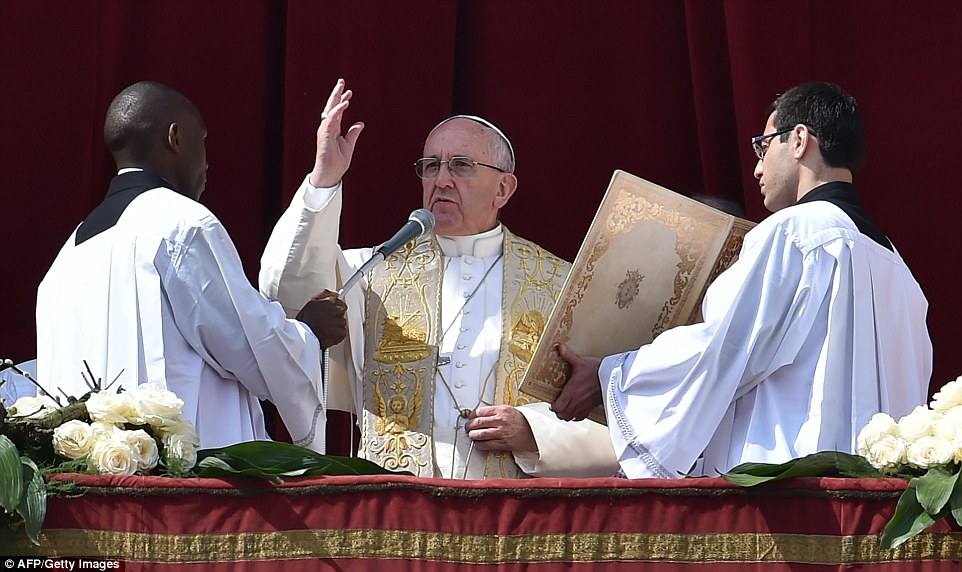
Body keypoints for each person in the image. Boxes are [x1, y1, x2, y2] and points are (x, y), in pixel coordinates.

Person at [552, 81, 932, 478]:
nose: (757, 168)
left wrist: (612, 375)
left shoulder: (793, 232)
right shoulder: (898, 268)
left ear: (799, 140)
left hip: (788, 485)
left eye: (763, 147)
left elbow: (723, 348)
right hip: (876, 493)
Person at [260, 79, 618, 478]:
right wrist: (324, 178)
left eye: (461, 165)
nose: (442, 180)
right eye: (431, 166)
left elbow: (617, 411)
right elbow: (286, 291)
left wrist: (532, 433)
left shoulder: (562, 285)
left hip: (512, 506)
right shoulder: (371, 272)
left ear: (503, 188)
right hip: (397, 499)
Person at [36, 80, 347, 451]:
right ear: (175, 138)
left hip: (93, 477)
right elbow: (248, 343)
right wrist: (310, 332)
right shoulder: (181, 224)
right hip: (185, 472)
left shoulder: (66, 256)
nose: (207, 162)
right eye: (202, 142)